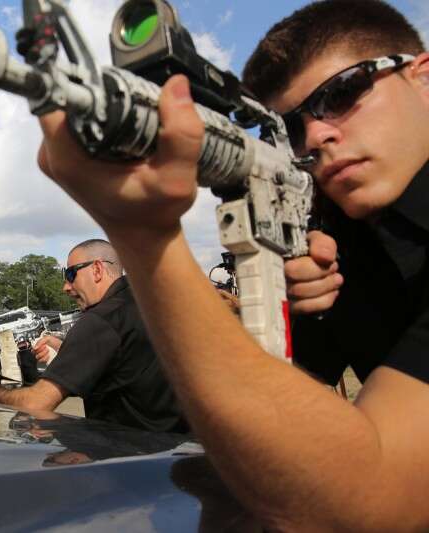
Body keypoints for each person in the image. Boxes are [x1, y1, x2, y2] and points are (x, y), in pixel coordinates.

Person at [32, 0, 429, 529]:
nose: (315, 136)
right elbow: (276, 444)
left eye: (343, 93)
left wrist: (142, 233)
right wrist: (296, 308)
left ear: (421, 77)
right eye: (290, 124)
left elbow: (369, 501)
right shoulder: (344, 241)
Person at [0, 239, 187, 433]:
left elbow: (36, 403)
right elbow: (128, 363)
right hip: (175, 448)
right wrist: (65, 346)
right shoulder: (150, 305)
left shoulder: (100, 320)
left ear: (97, 270)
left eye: (71, 275)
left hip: (126, 455)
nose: (65, 286)